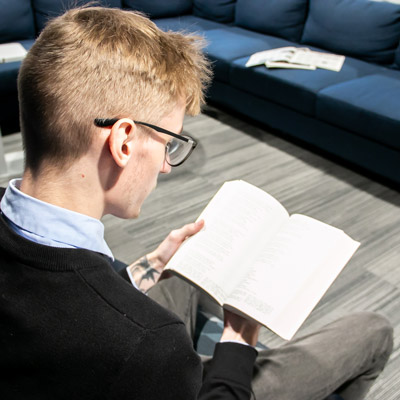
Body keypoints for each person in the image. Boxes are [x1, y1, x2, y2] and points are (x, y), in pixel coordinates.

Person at [0, 6, 393, 400]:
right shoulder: (151, 344)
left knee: (185, 279)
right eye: (169, 143)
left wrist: (151, 266)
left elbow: (64, 308)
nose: (167, 166)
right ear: (124, 142)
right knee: (373, 332)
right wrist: (239, 340)